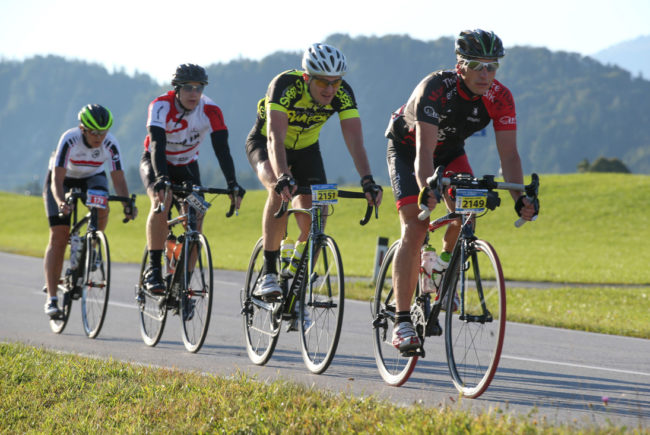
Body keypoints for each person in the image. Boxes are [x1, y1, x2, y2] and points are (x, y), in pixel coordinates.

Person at [385, 29, 539, 352]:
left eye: (492, 66)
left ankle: (438, 266)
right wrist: (428, 190)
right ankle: (400, 322)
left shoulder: (500, 97)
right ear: (460, 66)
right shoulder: (436, 89)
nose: (486, 74)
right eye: (477, 66)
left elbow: (509, 155)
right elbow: (424, 153)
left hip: (451, 150)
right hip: (408, 149)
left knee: (467, 212)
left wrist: (520, 197)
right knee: (415, 226)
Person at [246, 42, 383, 299]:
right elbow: (275, 136)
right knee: (279, 190)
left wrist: (367, 180)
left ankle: (297, 286)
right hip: (267, 146)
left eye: (336, 82)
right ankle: (269, 272)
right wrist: (283, 175)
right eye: (323, 83)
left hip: (307, 149)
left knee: (317, 217)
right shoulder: (285, 85)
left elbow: (355, 140)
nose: (331, 89)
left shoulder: (343, 94)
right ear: (307, 77)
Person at [140, 63, 245, 293]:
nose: (194, 94)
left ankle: (182, 284)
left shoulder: (211, 110)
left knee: (196, 216)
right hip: (157, 162)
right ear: (176, 88)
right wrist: (161, 178)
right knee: (162, 201)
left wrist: (232, 184)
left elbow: (222, 150)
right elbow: (157, 143)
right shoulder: (160, 105)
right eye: (188, 88)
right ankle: (154, 270)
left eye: (199, 88)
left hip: (187, 166)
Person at [43, 104, 137, 316]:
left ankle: (92, 243)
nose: (99, 137)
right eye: (94, 132)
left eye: (103, 132)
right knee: (59, 236)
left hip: (92, 177)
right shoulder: (70, 139)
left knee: (102, 202)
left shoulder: (111, 143)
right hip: (63, 180)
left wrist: (126, 204)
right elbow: (56, 180)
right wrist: (60, 201)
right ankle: (52, 298)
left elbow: (118, 178)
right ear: (82, 128)